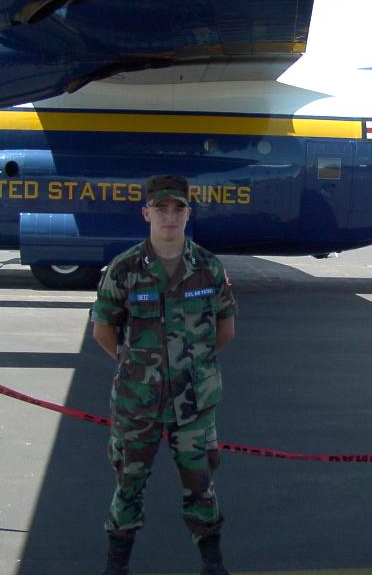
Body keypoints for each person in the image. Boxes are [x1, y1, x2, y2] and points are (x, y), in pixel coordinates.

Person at [91, 175, 236, 575]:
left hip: (194, 404)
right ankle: (116, 565)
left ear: (188, 214)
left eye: (178, 209)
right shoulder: (124, 269)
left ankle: (212, 564)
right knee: (129, 485)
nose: (169, 217)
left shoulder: (208, 267)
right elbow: (103, 329)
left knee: (201, 487)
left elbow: (226, 328)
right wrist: (136, 364)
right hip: (138, 403)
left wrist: (193, 364)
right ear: (146, 213)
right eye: (161, 209)